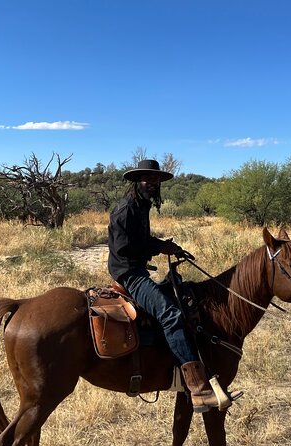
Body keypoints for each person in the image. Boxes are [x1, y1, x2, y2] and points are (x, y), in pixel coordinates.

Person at [107, 159, 237, 413]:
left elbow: (141, 239)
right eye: (147, 179)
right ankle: (197, 388)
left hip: (136, 269)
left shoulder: (141, 206)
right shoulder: (126, 210)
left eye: (155, 180)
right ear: (137, 181)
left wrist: (168, 246)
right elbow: (124, 248)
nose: (152, 184)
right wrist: (158, 247)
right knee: (171, 314)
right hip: (129, 273)